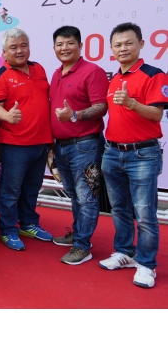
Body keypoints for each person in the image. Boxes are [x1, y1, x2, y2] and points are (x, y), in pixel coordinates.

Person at [99, 22, 168, 288]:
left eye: (128, 43)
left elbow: (157, 114)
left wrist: (131, 103)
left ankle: (147, 264)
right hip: (113, 152)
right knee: (119, 209)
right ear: (112, 49)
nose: (123, 48)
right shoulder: (114, 78)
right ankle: (124, 252)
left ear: (141, 44)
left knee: (145, 212)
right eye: (117, 45)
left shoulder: (154, 74)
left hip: (143, 154)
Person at [0, 28, 54, 251]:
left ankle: (28, 224)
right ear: (4, 53)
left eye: (23, 45)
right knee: (11, 190)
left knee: (32, 187)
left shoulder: (39, 69)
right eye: (13, 47)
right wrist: (7, 115)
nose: (19, 50)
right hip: (15, 145)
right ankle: (8, 229)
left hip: (41, 142)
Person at [49, 26, 109, 265]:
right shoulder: (56, 74)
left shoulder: (92, 71)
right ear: (54, 48)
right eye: (60, 44)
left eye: (70, 43)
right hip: (61, 146)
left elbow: (101, 107)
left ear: (80, 46)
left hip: (86, 145)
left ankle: (83, 246)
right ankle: (78, 234)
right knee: (74, 195)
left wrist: (75, 116)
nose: (65, 48)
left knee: (87, 197)